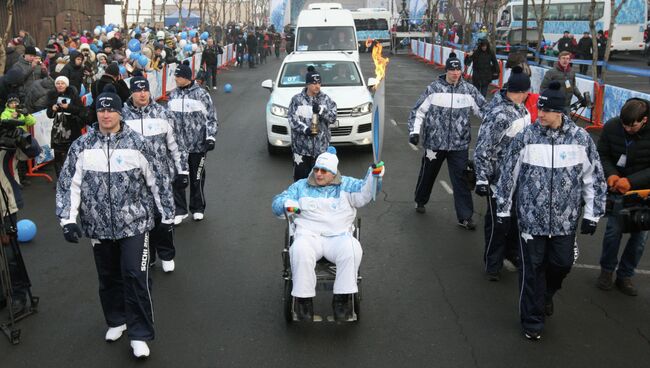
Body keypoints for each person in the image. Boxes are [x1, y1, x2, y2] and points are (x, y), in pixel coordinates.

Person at [56, 85, 175, 359]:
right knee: (108, 278)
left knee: (135, 276)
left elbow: (158, 180)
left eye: (111, 109)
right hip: (99, 226)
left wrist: (166, 215)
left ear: (120, 112)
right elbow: (68, 185)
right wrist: (68, 219)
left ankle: (140, 334)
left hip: (135, 223)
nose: (106, 114)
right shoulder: (82, 146)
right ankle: (116, 320)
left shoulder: (138, 143)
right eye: (101, 109)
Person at [495, 81, 606, 341]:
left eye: (545, 110)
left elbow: (594, 178)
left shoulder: (580, 139)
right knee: (531, 270)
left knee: (561, 264)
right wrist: (503, 210)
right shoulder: (527, 137)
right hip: (531, 221)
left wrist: (592, 214)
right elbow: (508, 176)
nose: (539, 114)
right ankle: (532, 321)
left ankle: (546, 295)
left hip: (565, 222)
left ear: (561, 112)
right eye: (539, 109)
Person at [271, 147, 385, 321]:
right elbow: (277, 202)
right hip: (308, 237)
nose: (318, 174)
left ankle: (342, 302)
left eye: (324, 171)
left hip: (338, 237)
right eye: (316, 169)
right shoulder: (300, 186)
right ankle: (303, 303)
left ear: (333, 173)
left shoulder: (346, 185)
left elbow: (365, 193)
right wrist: (287, 204)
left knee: (352, 249)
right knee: (300, 250)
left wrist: (375, 175)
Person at [407, 53, 486, 229]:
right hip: (434, 144)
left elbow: (484, 111)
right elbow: (417, 111)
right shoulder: (434, 89)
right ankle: (420, 200)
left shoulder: (469, 90)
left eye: (458, 69)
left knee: (461, 180)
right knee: (428, 175)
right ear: (447, 70)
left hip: (459, 145)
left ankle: (465, 217)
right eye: (452, 69)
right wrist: (414, 132)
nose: (456, 73)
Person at [122, 76, 188, 272]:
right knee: (141, 220)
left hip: (161, 176)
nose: (142, 94)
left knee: (163, 217)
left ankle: (167, 255)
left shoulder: (162, 113)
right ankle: (148, 255)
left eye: (145, 90)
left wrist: (182, 170)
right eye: (138, 90)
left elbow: (177, 145)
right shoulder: (123, 116)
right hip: (135, 180)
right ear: (131, 92)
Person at [474, 67, 531, 280]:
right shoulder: (499, 114)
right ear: (521, 91)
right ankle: (493, 263)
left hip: (520, 178)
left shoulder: (523, 110)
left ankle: (512, 253)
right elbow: (483, 148)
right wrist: (482, 178)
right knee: (498, 223)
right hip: (498, 180)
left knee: (516, 220)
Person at [596, 98, 650, 296]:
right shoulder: (612, 127)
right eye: (624, 124)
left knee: (639, 238)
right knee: (613, 232)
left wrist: (631, 181)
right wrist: (610, 174)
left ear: (644, 120)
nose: (627, 128)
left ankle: (625, 275)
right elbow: (602, 154)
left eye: (632, 125)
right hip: (618, 189)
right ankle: (607, 271)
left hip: (643, 194)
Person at [167, 62, 218, 224]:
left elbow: (211, 118)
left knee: (197, 177)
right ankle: (180, 210)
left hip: (197, 145)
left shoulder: (201, 95)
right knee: (177, 178)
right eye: (175, 76)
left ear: (187, 78)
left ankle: (197, 208)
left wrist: (210, 137)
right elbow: (167, 119)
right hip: (177, 147)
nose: (175, 78)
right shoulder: (172, 95)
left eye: (178, 76)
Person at [0, 113, 41, 316]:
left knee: (11, 256)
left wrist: (20, 136)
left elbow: (34, 151)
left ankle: (19, 296)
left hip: (5, 205)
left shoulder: (6, 140)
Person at [287, 66, 337, 181]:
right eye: (314, 83)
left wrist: (321, 110)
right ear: (307, 84)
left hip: (321, 151)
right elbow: (291, 119)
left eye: (319, 83)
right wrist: (305, 130)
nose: (317, 86)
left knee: (320, 183)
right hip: (301, 151)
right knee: (301, 182)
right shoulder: (297, 100)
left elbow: (333, 117)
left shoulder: (325, 99)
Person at [46, 76, 87, 179]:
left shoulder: (73, 95)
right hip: (58, 130)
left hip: (72, 129)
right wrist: (53, 109)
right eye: (58, 83)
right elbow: (49, 114)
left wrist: (68, 107)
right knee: (58, 156)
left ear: (66, 84)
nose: (60, 85)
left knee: (73, 154)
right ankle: (60, 180)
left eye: (62, 83)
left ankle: (74, 178)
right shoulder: (52, 96)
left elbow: (81, 110)